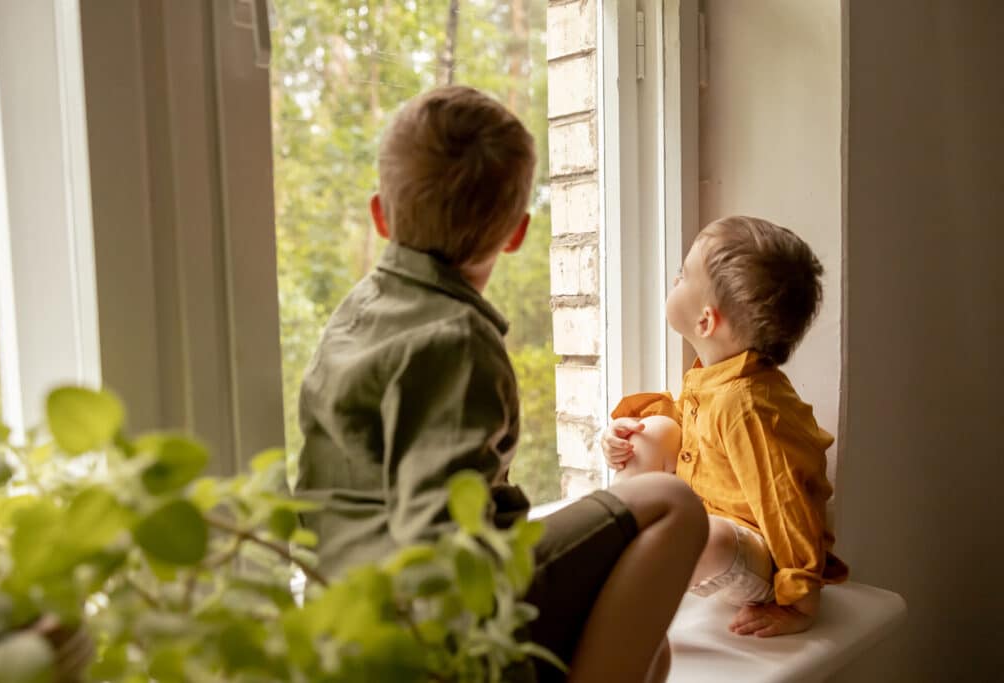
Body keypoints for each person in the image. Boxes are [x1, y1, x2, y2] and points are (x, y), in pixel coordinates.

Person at [295, 84, 707, 682]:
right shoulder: (455, 340)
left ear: (380, 214)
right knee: (673, 505)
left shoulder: (356, 315)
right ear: (516, 232)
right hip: (418, 639)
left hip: (341, 622)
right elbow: (435, 546)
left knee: (646, 647)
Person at [602, 216, 849, 638]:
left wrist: (800, 601)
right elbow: (692, 433)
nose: (674, 279)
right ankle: (621, 549)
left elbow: (784, 502)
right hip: (707, 519)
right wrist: (625, 436)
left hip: (756, 555)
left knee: (707, 536)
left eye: (681, 276)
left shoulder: (748, 406)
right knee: (654, 430)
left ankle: (635, 601)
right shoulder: (721, 375)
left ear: (705, 322)